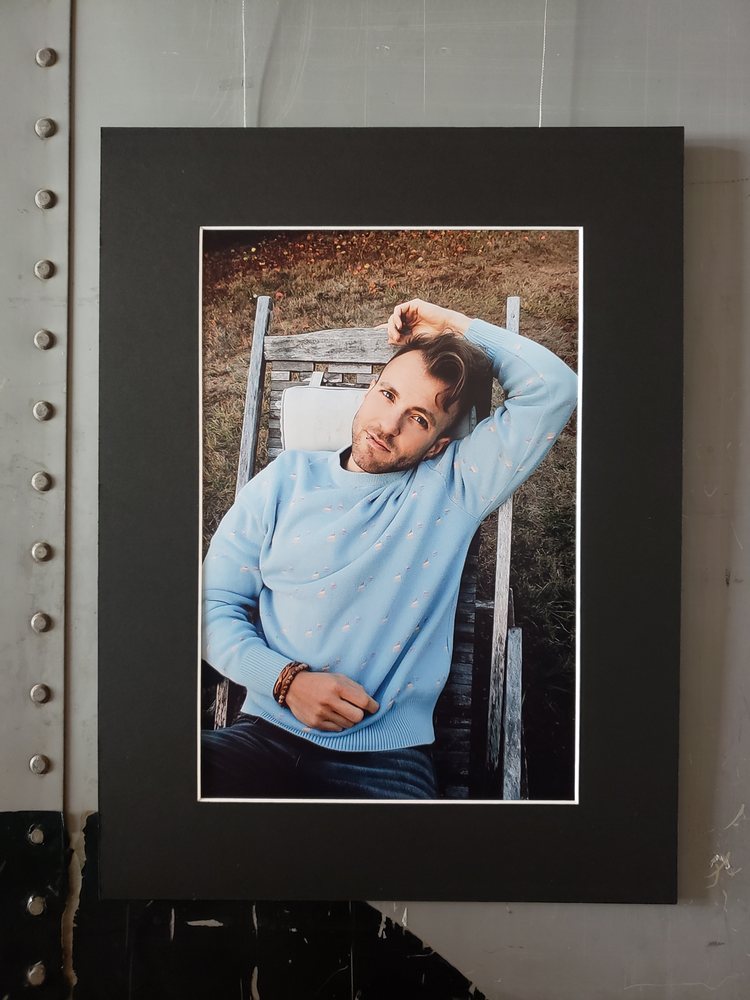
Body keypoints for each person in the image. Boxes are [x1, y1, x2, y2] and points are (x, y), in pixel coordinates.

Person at [201, 298, 578, 799]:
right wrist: (285, 682)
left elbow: (555, 388)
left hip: (384, 762)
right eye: (387, 395)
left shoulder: (453, 488)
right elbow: (210, 607)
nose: (388, 425)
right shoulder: (283, 482)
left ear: (438, 444)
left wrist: (449, 323)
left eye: (419, 419)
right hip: (262, 735)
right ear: (369, 390)